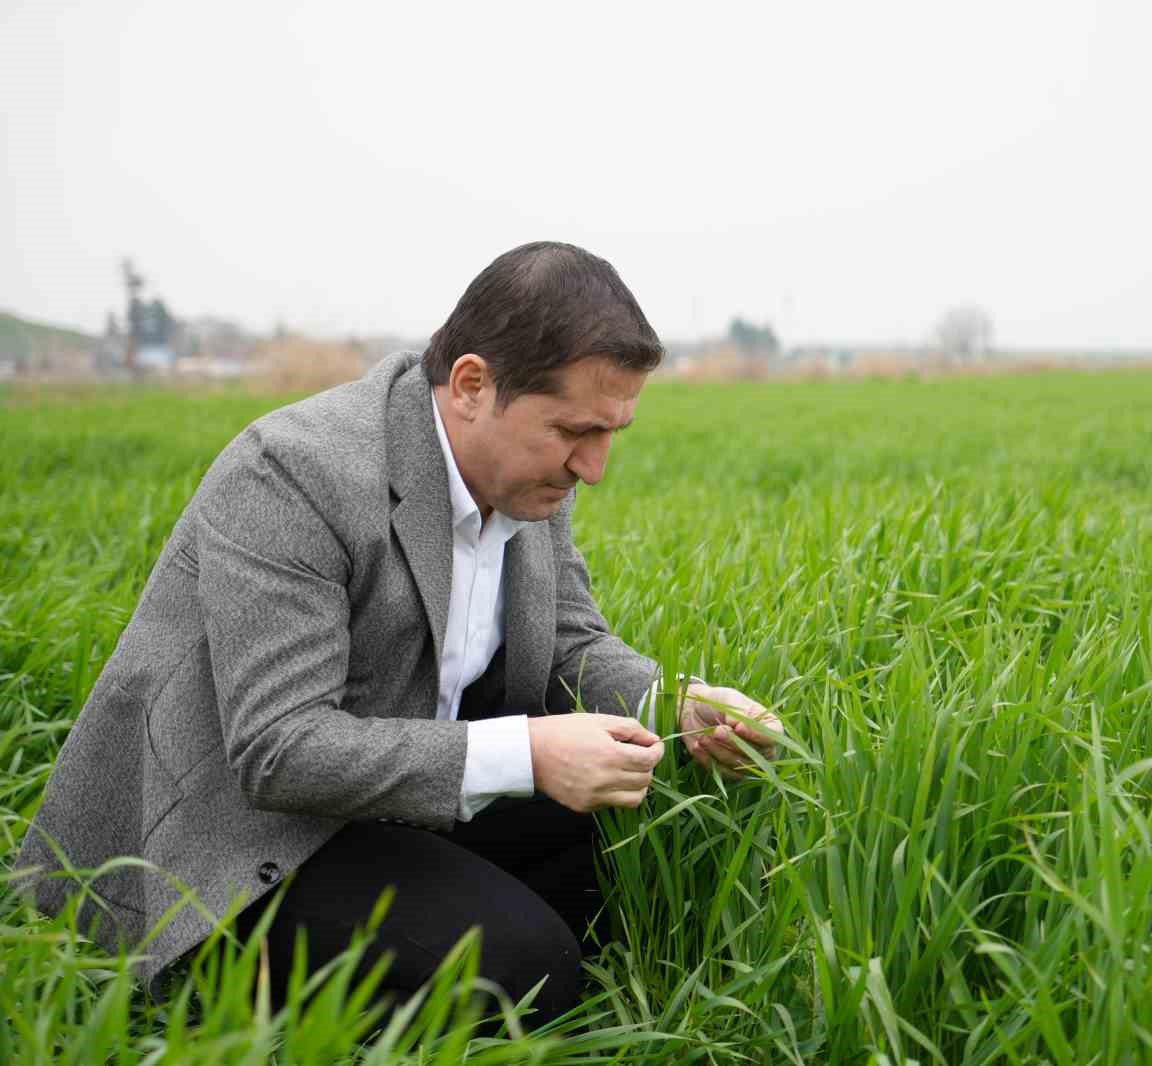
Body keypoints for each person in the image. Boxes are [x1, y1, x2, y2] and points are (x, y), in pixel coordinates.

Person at [15, 241, 783, 1022]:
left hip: (397, 792)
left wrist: (676, 703)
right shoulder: (292, 474)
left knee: (632, 834)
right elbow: (280, 749)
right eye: (575, 430)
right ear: (473, 385)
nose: (595, 466)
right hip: (245, 837)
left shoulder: (527, 477)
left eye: (614, 431)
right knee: (529, 967)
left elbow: (572, 642)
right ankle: (214, 993)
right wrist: (530, 752)